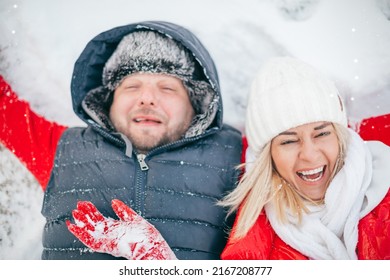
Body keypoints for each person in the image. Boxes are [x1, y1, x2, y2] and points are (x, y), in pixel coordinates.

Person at [0, 21, 243, 260]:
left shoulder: (238, 157)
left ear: (196, 103)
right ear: (108, 100)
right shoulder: (63, 148)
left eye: (167, 88)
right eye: (131, 86)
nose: (146, 99)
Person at [220, 56, 390, 260]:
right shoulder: (254, 248)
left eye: (321, 134)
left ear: (340, 136)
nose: (309, 155)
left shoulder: (383, 190)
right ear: (268, 157)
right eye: (288, 141)